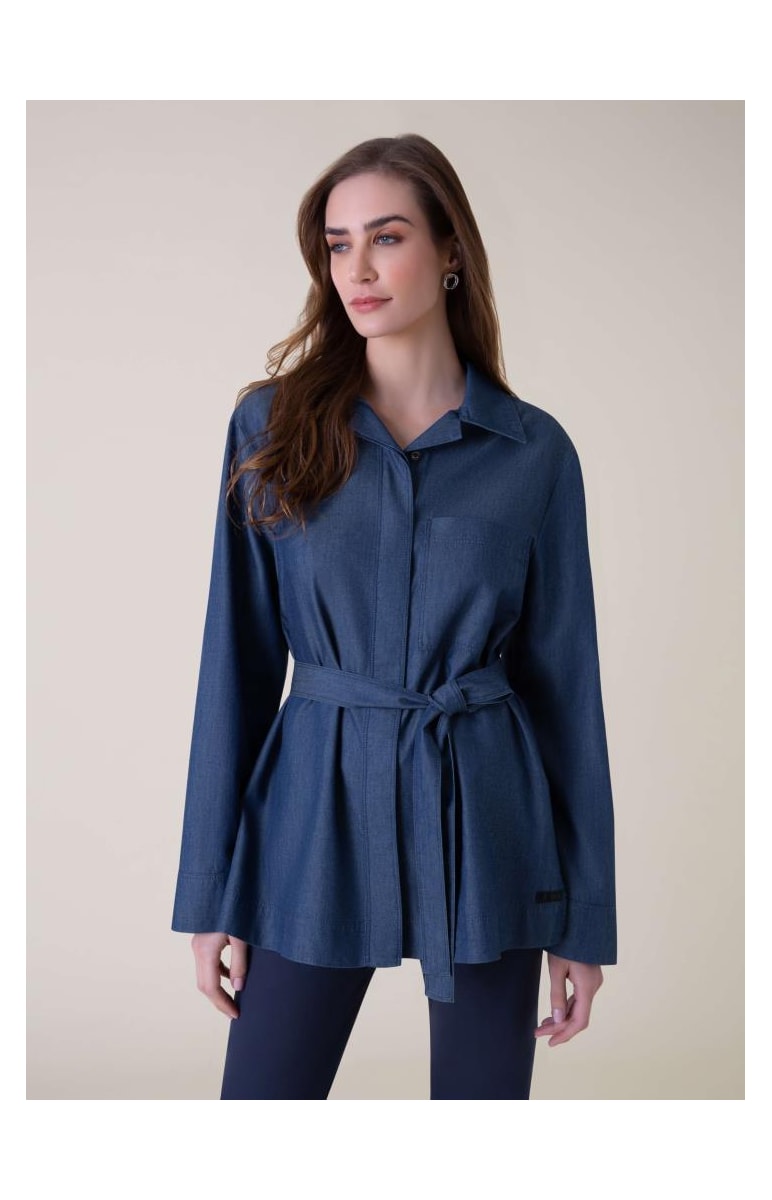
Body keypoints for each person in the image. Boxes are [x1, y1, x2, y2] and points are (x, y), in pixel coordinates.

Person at [171, 133, 617, 1101]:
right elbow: (234, 666)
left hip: (489, 824)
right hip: (311, 818)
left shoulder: (534, 453)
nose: (357, 270)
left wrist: (583, 921)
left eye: (386, 237)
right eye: (338, 245)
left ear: (451, 249)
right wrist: (212, 892)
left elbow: (565, 690)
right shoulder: (271, 429)